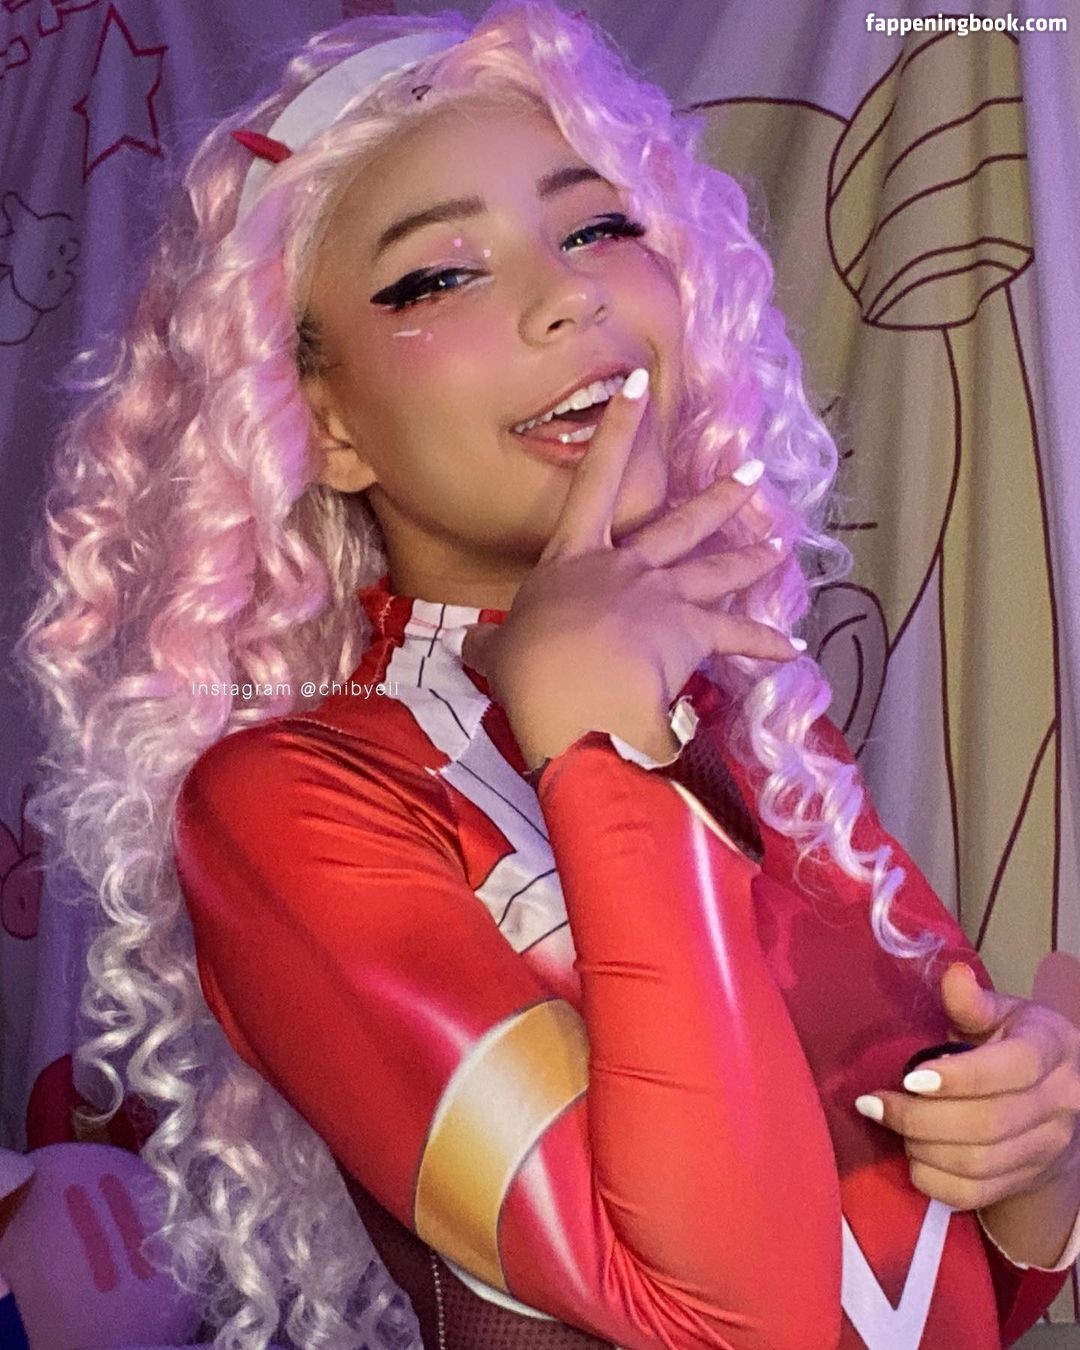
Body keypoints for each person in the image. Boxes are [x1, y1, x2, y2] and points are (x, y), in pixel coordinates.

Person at [16, 2, 1080, 1347]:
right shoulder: (283, 804)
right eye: (437, 277)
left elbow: (977, 1293)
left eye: (597, 228)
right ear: (326, 424)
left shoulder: (753, 731)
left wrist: (1034, 1146)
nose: (571, 293)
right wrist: (597, 745)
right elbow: (735, 1313)